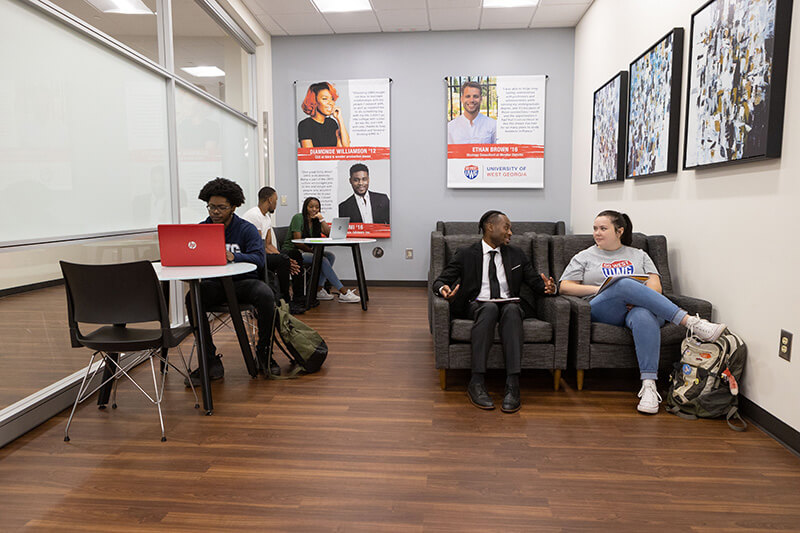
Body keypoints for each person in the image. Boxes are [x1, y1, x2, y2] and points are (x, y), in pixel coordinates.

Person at [559, 210, 727, 415]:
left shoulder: (639, 255)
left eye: (603, 228)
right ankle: (690, 321)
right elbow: (565, 287)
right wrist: (607, 290)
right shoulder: (584, 256)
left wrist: (633, 296)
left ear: (619, 231)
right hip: (604, 307)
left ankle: (649, 385)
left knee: (643, 316)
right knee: (623, 283)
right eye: (595, 228)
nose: (597, 233)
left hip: (637, 309)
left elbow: (656, 289)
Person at [432, 210, 557, 413]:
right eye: (506, 227)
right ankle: (477, 381)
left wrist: (549, 288)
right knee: (488, 308)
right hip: (478, 304)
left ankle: (513, 384)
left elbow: (536, 283)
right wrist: (443, 289)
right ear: (490, 227)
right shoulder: (465, 253)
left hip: (510, 303)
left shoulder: (517, 254)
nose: (510, 232)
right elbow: (440, 281)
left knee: (512, 310)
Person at [184, 177, 277, 384]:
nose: (215, 212)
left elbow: (259, 259)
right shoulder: (201, 230)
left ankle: (264, 353)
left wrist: (235, 256)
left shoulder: (246, 229)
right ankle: (210, 360)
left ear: (234, 206)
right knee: (193, 297)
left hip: (243, 284)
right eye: (211, 207)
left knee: (265, 294)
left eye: (221, 207)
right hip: (215, 285)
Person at [281, 197, 360, 304]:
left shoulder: (316, 220)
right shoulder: (298, 218)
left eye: (317, 207)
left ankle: (318, 290)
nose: (314, 209)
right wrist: (313, 252)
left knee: (330, 256)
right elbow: (298, 242)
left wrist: (322, 220)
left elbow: (329, 234)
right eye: (311, 207)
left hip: (306, 252)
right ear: (305, 207)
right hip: (294, 252)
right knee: (322, 260)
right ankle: (343, 292)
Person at [241, 186, 306, 314]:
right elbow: (258, 246)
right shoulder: (254, 215)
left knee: (294, 254)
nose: (276, 204)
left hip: (262, 252)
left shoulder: (266, 217)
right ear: (270, 200)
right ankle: (284, 301)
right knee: (283, 260)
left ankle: (298, 298)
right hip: (252, 256)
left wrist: (288, 259)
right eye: (276, 200)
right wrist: (283, 259)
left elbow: (269, 244)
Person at [298, 82, 351, 148]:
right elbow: (309, 155)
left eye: (332, 99)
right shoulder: (305, 125)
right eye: (325, 99)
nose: (331, 103)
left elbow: (346, 146)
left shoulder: (332, 123)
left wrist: (340, 119)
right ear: (315, 101)